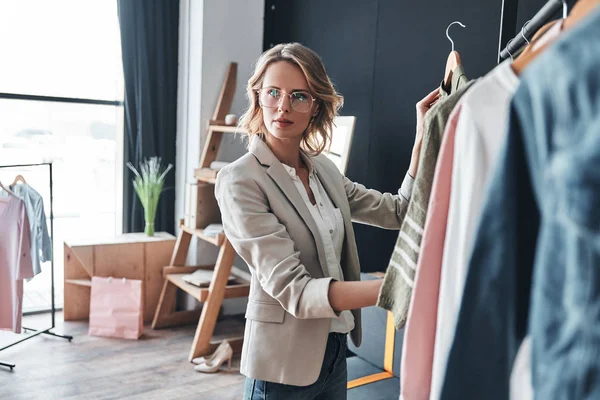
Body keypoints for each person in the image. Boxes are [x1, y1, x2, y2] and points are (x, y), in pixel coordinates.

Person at [215, 42, 439, 399]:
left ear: (315, 105)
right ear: (257, 96)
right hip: (281, 368)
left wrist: (422, 139)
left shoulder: (325, 171)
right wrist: (398, 289)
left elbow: (399, 211)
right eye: (273, 92)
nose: (283, 106)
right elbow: (298, 292)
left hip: (335, 353)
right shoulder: (240, 180)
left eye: (299, 96)